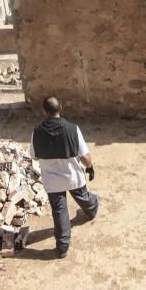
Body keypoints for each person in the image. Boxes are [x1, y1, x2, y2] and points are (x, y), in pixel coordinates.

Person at [29, 96, 100, 258]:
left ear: (44, 111)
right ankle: (92, 208)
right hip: (73, 176)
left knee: (59, 212)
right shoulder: (72, 129)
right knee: (84, 197)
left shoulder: (37, 131)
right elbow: (85, 156)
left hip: (52, 181)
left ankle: (62, 248)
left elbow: (34, 156)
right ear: (60, 108)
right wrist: (90, 167)